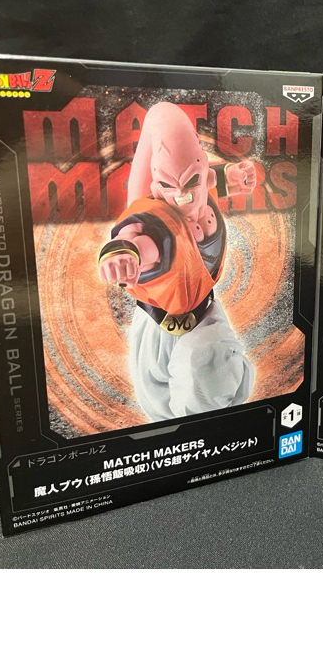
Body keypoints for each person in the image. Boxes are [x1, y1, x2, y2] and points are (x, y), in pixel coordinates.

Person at [97, 102, 256, 421]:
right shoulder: (157, 223)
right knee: (165, 410)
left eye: (192, 183)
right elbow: (135, 238)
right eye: (168, 186)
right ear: (156, 186)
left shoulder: (204, 190)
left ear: (205, 176)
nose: (182, 196)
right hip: (159, 326)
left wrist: (232, 177)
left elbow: (206, 181)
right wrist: (121, 254)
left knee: (218, 370)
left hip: (206, 311)